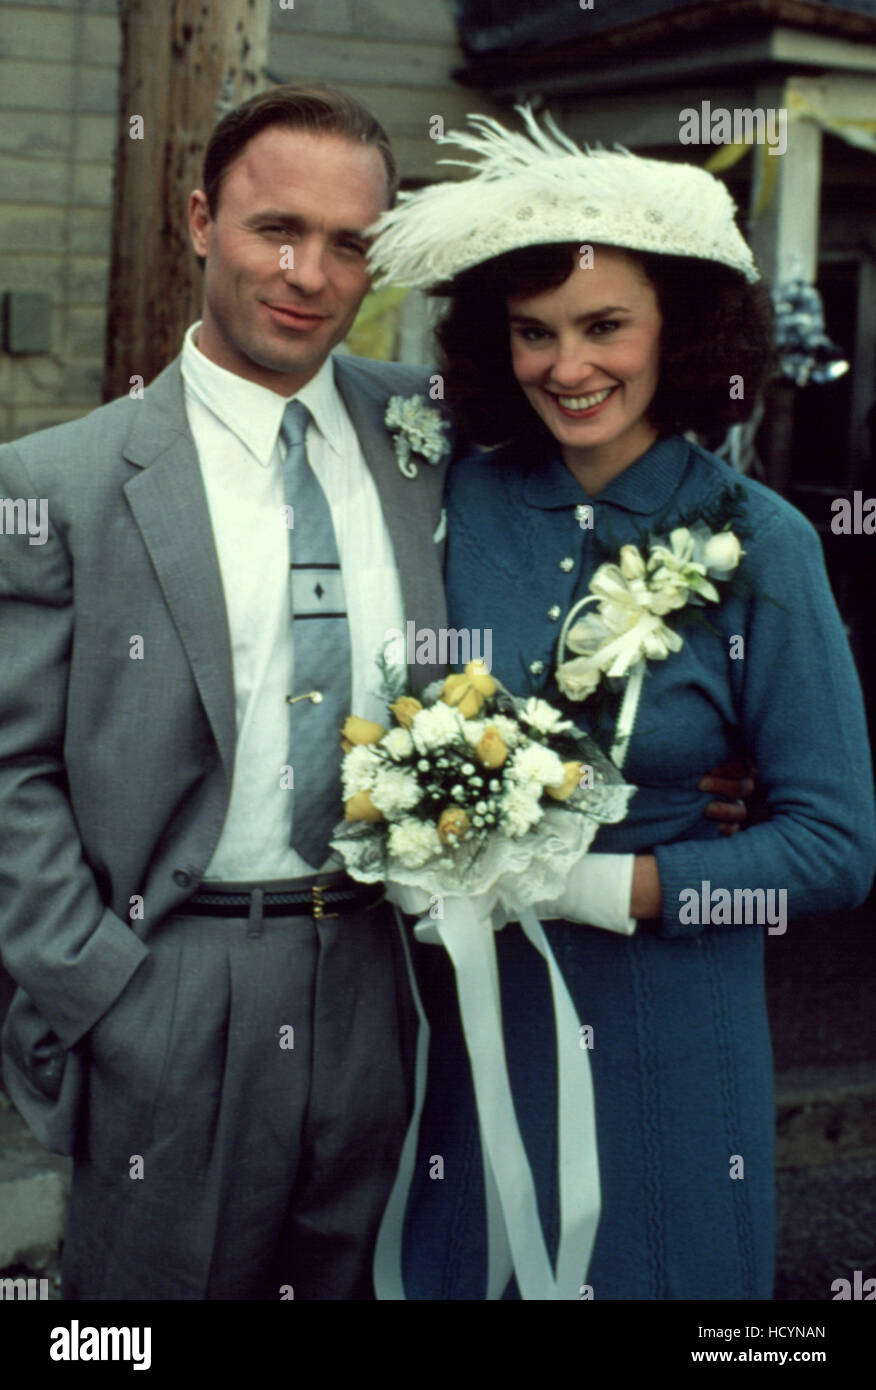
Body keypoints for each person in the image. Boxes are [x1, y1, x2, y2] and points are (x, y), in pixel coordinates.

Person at [0, 85, 750, 1302]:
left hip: (394, 979)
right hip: (174, 979)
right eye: (273, 229)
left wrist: (699, 748)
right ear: (200, 221)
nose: (308, 273)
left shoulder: (435, 431)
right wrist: (99, 989)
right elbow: (10, 770)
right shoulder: (60, 484)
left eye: (351, 243)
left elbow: (606, 526)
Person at [365, 110, 876, 1300]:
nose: (567, 365)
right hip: (462, 1021)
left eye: (605, 327)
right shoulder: (450, 497)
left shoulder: (765, 542)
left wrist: (613, 884)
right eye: (533, 333)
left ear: (680, 332)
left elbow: (838, 845)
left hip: (668, 1020)